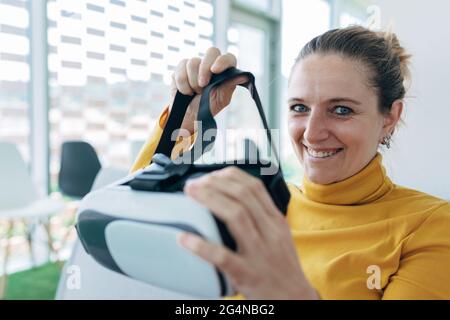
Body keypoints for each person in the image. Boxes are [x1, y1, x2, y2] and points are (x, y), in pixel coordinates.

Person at [131, 26, 450, 299]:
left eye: (341, 110)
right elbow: (131, 226)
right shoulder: (256, 201)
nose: (312, 133)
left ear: (389, 118)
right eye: (299, 108)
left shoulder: (431, 226)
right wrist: (182, 121)